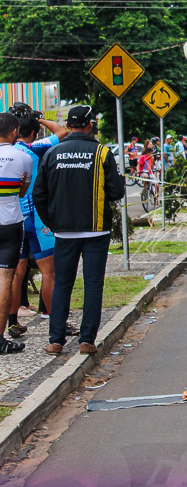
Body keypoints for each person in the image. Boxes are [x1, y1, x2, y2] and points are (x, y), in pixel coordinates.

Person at [34, 105, 125, 356]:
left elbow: (38, 194)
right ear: (89, 124)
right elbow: (117, 192)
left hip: (63, 232)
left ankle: (56, 340)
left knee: (62, 283)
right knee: (93, 285)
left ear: (70, 124)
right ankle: (87, 341)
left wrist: (53, 223)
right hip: (96, 231)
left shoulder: (52, 153)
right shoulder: (102, 153)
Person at [7, 104, 68, 340]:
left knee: (15, 274)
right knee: (49, 272)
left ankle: (13, 321)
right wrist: (40, 119)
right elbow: (62, 132)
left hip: (14, 220)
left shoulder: (7, 153)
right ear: (32, 132)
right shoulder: (36, 148)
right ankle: (56, 322)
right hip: (38, 220)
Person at [0, 113, 32, 354]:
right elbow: (22, 193)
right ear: (15, 132)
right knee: (5, 280)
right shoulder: (23, 157)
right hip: (10, 223)